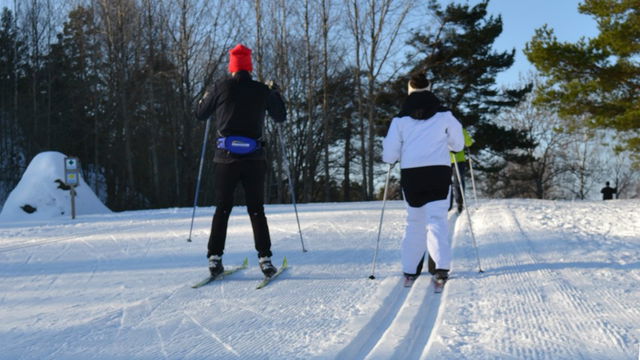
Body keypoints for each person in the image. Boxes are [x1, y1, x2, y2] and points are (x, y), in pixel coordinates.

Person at [195, 44, 286, 278]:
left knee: (222, 208)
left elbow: (200, 113)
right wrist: (275, 93)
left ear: (232, 67)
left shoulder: (220, 87)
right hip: (254, 158)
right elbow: (280, 117)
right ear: (250, 66)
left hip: (225, 159)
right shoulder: (261, 90)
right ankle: (265, 259)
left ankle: (215, 258)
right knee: (256, 209)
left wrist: (208, 95)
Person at [382, 72, 464, 285]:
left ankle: (410, 268)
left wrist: (398, 154)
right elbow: (458, 145)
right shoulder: (444, 115)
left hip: (412, 174)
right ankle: (441, 267)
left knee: (414, 221)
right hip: (438, 172)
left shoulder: (399, 119)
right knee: (437, 219)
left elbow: (389, 155)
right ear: (430, 88)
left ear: (409, 89)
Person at [450, 128, 474, 213]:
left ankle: (456, 203)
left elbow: (468, 142)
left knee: (456, 182)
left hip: (452, 159)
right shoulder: (459, 129)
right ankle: (455, 203)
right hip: (450, 159)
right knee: (457, 182)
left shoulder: (459, 129)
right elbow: (469, 143)